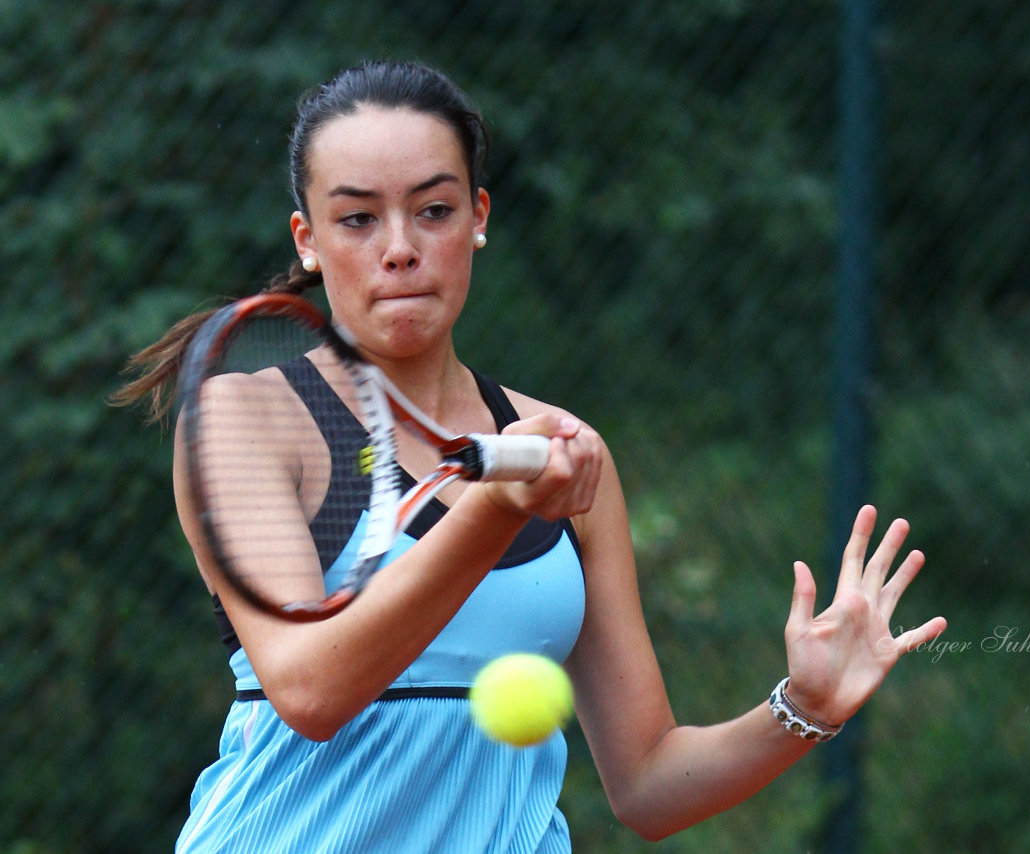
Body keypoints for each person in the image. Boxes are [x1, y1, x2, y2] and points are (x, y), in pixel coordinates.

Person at [114, 59, 947, 853]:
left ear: (478, 218)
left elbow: (649, 783)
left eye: (433, 211)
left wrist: (803, 707)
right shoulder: (244, 419)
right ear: (307, 239)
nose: (398, 247)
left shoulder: (565, 449)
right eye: (357, 218)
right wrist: (494, 507)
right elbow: (311, 691)